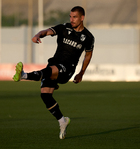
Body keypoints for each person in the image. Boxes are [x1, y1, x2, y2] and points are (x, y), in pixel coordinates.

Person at [13, 6, 94, 139]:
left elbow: (88, 55)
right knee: (45, 95)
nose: (71, 19)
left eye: (75, 17)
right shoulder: (64, 28)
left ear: (82, 18)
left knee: (48, 71)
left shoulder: (88, 37)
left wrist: (81, 73)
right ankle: (62, 121)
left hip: (67, 69)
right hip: (54, 63)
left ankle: (24, 75)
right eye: (70, 16)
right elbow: (48, 31)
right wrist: (38, 35)